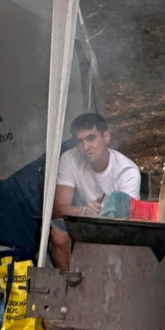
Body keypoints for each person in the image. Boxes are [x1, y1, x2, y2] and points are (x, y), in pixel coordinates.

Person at [47, 112, 141, 269]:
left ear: (106, 137)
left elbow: (130, 218)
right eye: (79, 141)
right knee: (58, 234)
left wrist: (102, 215)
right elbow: (58, 210)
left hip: (116, 230)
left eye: (91, 138)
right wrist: (84, 211)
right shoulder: (69, 159)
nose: (85, 147)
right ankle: (70, 281)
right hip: (83, 225)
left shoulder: (127, 170)